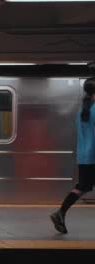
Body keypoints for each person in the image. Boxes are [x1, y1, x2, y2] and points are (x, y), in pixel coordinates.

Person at [50, 78, 95, 234]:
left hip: (84, 156)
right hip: (93, 155)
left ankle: (60, 213)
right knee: (84, 186)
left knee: (83, 187)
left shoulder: (83, 110)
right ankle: (60, 213)